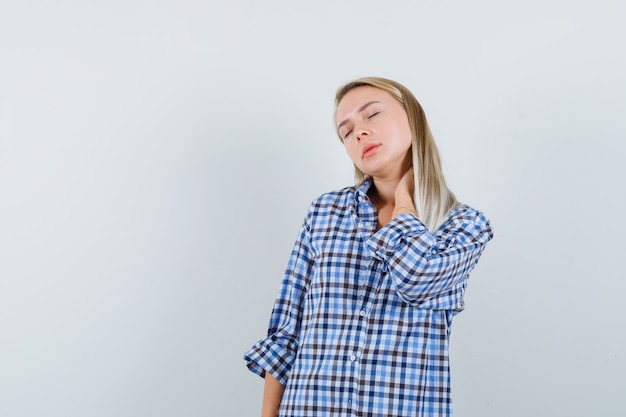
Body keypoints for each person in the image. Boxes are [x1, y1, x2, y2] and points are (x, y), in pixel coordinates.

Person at [243, 77, 493, 417]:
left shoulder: (464, 226)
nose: (359, 132)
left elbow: (417, 280)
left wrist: (404, 203)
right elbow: (287, 332)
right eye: (346, 132)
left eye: (372, 115)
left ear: (413, 119)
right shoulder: (325, 212)